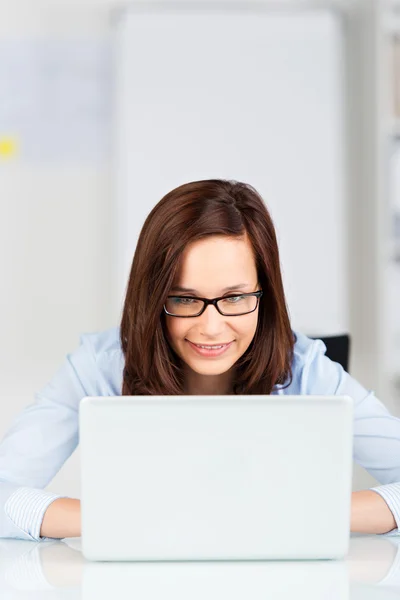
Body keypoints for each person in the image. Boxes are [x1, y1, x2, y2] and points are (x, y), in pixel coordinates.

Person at [0, 179, 399, 542]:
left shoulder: (307, 369)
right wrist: (118, 520)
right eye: (185, 298)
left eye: (235, 297)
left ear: (265, 294)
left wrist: (295, 514)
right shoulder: (99, 367)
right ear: (153, 298)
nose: (211, 327)